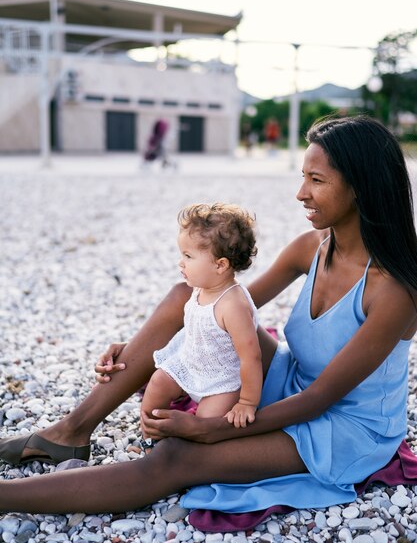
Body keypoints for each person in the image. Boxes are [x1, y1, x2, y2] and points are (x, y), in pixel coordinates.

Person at [0, 115, 416, 519]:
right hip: (292, 381)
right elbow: (214, 311)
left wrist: (214, 431)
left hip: (342, 427)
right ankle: (72, 430)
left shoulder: (392, 291)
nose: (300, 193)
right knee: (189, 295)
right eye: (303, 177)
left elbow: (320, 400)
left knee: (179, 457)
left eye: (317, 180)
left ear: (362, 187)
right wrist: (139, 348)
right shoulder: (313, 247)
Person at [140, 202, 262, 449]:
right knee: (157, 383)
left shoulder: (233, 305)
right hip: (191, 363)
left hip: (221, 382)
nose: (180, 263)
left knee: (207, 421)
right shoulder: (201, 288)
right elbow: (194, 329)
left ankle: (185, 452)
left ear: (220, 265)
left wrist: (247, 402)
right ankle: (151, 436)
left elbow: (251, 357)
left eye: (188, 256)